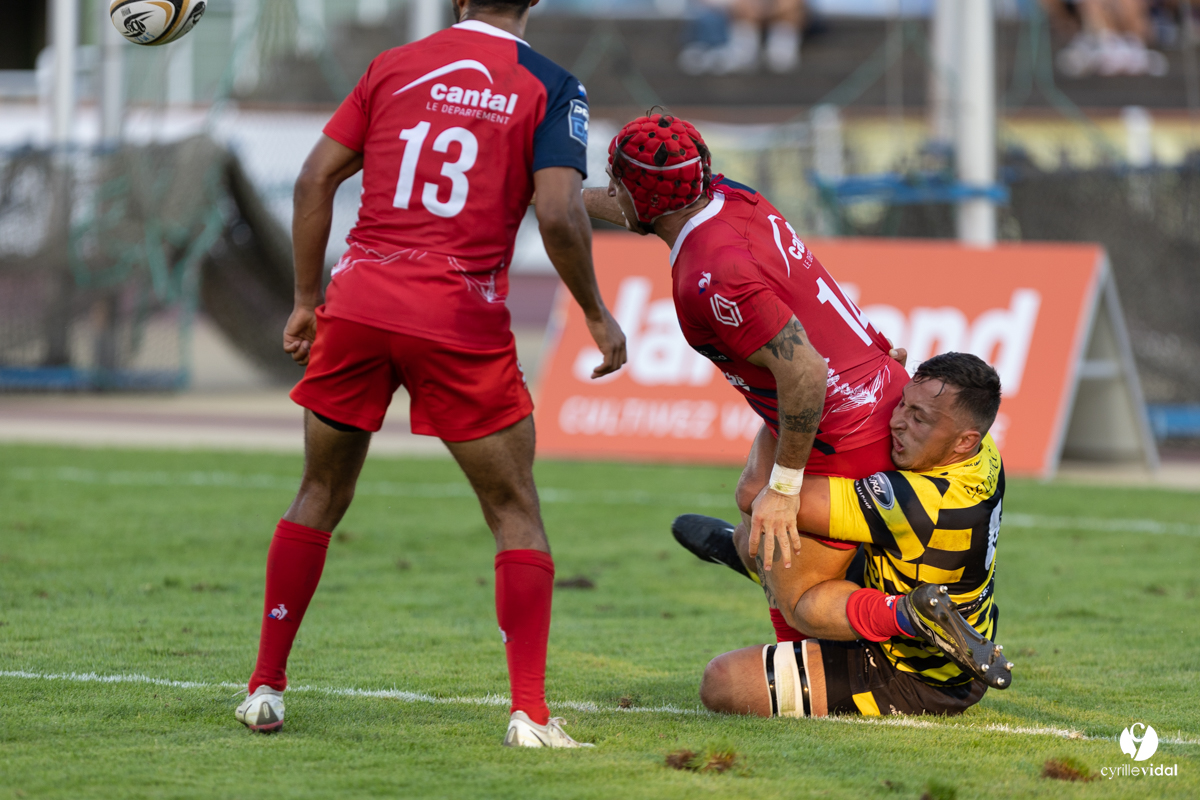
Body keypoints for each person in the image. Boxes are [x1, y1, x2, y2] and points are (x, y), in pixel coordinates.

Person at [234, 0, 626, 748]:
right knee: (515, 510)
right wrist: (596, 313)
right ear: (532, 2)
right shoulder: (550, 85)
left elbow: (314, 179)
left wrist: (305, 300)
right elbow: (557, 211)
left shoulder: (392, 65)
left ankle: (263, 688)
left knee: (319, 492)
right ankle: (530, 714)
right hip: (457, 317)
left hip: (358, 306)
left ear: (456, 0)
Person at [580, 112, 916, 649]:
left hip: (843, 427)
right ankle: (758, 558)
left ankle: (885, 627)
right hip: (874, 384)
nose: (611, 192)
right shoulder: (726, 195)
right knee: (750, 494)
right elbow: (632, 202)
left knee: (798, 588)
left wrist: (787, 489)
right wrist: (544, 198)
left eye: (614, 181)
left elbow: (805, 371)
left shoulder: (709, 275)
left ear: (641, 199)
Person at [696, 352, 1010, 718]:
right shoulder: (983, 452)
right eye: (903, 402)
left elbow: (759, 494)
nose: (897, 422)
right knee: (756, 536)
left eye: (918, 418)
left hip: (914, 674)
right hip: (929, 594)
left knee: (724, 680)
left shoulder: (913, 503)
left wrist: (788, 399)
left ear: (962, 441)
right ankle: (753, 559)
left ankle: (907, 616)